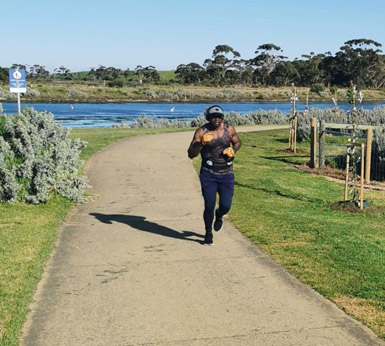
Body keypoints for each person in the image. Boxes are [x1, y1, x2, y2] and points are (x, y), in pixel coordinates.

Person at [187, 105, 241, 245]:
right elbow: (191, 154)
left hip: (226, 173)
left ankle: (220, 215)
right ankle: (208, 233)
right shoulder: (201, 131)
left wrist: (233, 149)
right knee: (209, 205)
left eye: (219, 116)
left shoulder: (229, 129)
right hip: (208, 173)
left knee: (226, 205)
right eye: (212, 117)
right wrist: (201, 143)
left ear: (222, 117)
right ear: (208, 118)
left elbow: (237, 142)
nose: (216, 119)